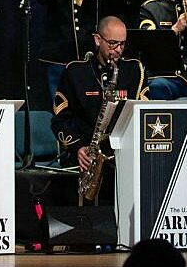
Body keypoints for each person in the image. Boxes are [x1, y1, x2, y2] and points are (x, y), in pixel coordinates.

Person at [51, 16, 147, 179]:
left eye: (122, 44)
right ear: (97, 40)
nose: (118, 50)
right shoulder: (75, 72)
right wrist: (78, 148)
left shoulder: (134, 71)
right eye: (113, 43)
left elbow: (143, 115)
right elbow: (59, 121)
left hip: (123, 159)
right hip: (85, 160)